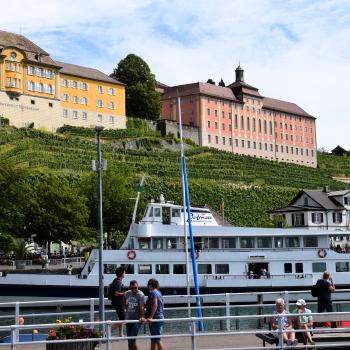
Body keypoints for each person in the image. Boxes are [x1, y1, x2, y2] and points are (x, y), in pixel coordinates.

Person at [143, 278, 164, 350]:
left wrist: (151, 317)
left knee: (157, 339)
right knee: (153, 339)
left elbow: (155, 305)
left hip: (155, 318)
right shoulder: (158, 292)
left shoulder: (153, 293)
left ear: (151, 285)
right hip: (158, 317)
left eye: (148, 284)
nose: (148, 286)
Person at [125, 280, 145, 350]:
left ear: (138, 286)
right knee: (130, 342)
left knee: (131, 340)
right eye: (132, 288)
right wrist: (125, 306)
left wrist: (142, 317)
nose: (134, 289)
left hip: (136, 321)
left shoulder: (140, 295)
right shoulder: (127, 293)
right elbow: (124, 301)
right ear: (130, 287)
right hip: (128, 320)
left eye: (135, 287)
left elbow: (142, 307)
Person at [110, 266, 126, 337]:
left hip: (117, 302)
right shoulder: (118, 282)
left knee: (121, 318)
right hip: (118, 303)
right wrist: (125, 293)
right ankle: (107, 330)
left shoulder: (115, 280)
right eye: (124, 272)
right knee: (123, 319)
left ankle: (121, 334)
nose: (125, 273)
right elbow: (116, 293)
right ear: (122, 273)